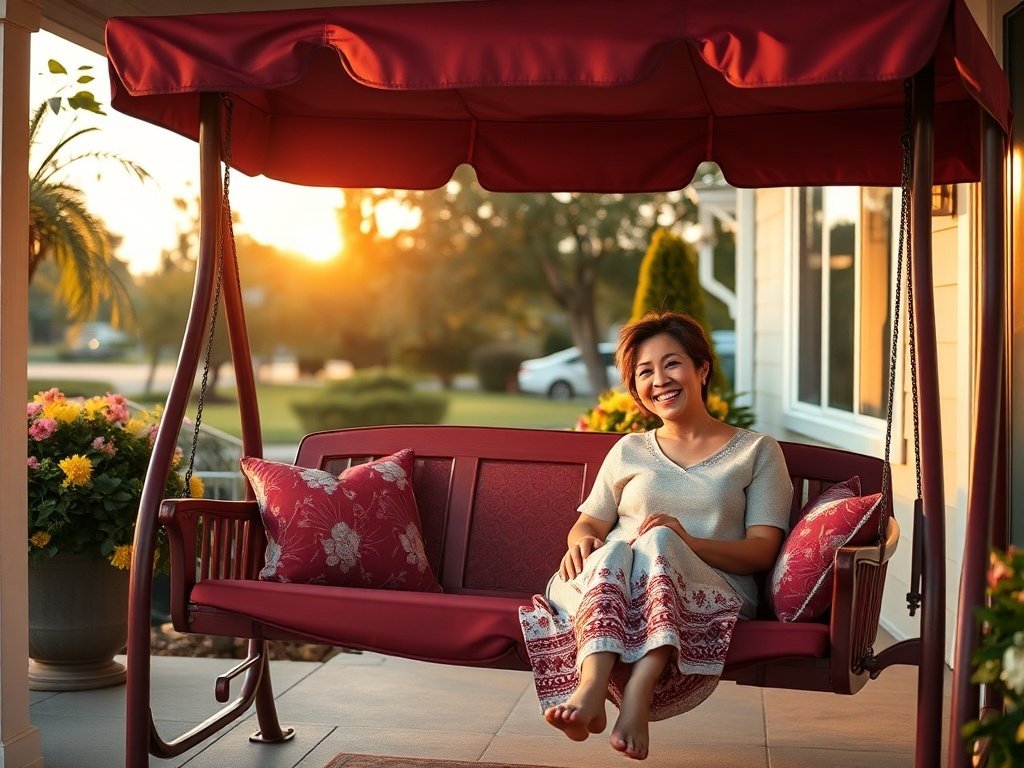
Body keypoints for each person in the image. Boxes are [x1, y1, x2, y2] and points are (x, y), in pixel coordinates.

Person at [519, 311, 793, 761]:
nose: (659, 380)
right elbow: (589, 523)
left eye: (672, 364)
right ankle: (590, 688)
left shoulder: (756, 452)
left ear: (702, 369)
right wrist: (580, 542)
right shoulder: (629, 449)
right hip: (609, 583)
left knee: (658, 542)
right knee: (619, 547)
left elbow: (762, 552)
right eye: (644, 372)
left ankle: (637, 695)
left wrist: (685, 540)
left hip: (710, 589)